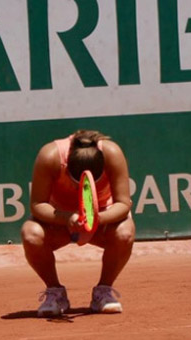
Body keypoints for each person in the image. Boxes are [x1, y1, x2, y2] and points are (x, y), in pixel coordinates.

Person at [21, 130, 135, 317]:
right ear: (66, 167)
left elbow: (123, 203)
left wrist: (96, 219)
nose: (79, 187)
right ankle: (55, 292)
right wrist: (68, 218)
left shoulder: (113, 154)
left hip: (102, 217)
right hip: (60, 220)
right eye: (76, 182)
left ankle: (103, 291)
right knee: (31, 234)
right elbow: (37, 205)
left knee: (125, 233)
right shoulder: (50, 156)